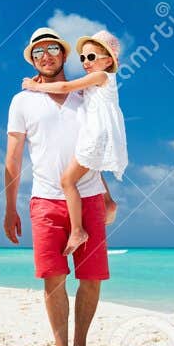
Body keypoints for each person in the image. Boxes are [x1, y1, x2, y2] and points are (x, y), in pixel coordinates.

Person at [3, 27, 117, 346]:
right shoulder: (22, 100)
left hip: (90, 196)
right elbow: (13, 157)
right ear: (32, 58)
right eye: (38, 52)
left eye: (52, 49)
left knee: (92, 277)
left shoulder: (89, 93)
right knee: (53, 278)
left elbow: (95, 150)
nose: (46, 56)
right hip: (46, 200)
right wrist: (10, 208)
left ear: (63, 55)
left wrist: (109, 195)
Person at [21, 30, 128, 255]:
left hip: (96, 135)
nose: (85, 62)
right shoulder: (95, 83)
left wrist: (36, 86)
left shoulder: (101, 77)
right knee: (82, 171)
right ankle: (107, 202)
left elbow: (64, 87)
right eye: (82, 58)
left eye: (91, 57)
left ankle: (78, 230)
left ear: (108, 61)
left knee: (67, 180)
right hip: (96, 135)